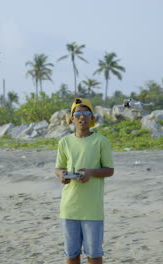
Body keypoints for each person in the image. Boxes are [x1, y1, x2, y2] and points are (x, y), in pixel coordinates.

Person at [55, 98, 114, 264]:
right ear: (72, 118)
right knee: (71, 254)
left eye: (87, 113)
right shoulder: (64, 142)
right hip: (69, 208)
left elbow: (109, 170)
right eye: (78, 114)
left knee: (94, 255)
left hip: (92, 210)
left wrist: (91, 172)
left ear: (92, 118)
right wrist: (62, 175)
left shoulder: (101, 141)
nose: (82, 117)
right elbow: (58, 168)